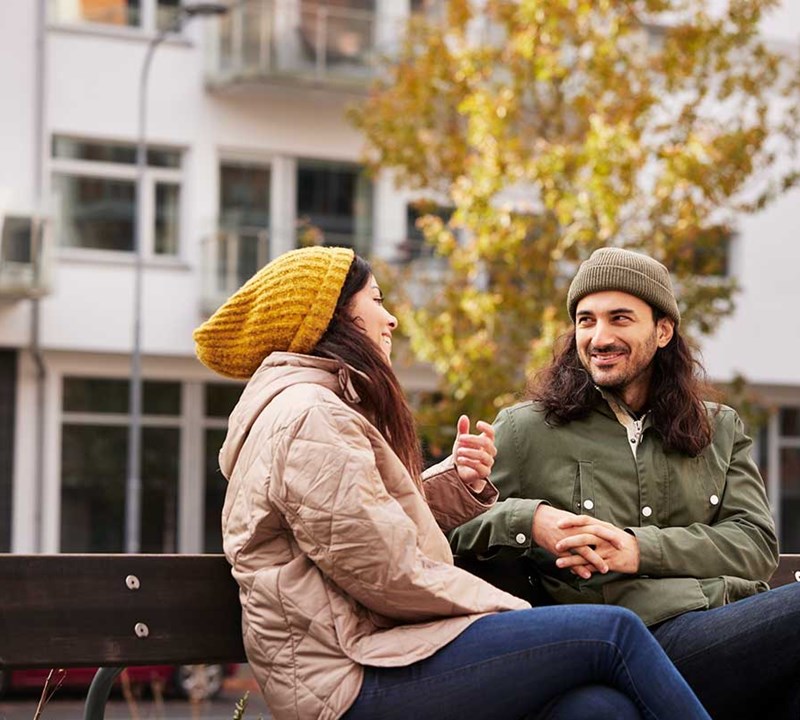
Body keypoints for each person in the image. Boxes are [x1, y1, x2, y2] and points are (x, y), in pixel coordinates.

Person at [193, 246, 712, 720]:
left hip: (375, 655)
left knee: (597, 710)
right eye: (375, 300)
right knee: (613, 634)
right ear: (333, 317)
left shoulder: (311, 411)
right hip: (352, 677)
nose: (390, 316)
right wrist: (509, 614)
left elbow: (356, 530)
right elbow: (386, 571)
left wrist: (454, 483)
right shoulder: (309, 417)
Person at [449, 247, 800, 720]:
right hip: (628, 644)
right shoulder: (527, 428)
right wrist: (530, 518)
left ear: (663, 331)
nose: (599, 336)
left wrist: (636, 549)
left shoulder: (718, 427)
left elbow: (756, 546)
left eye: (619, 318)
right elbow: (452, 536)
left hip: (726, 635)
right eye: (586, 320)